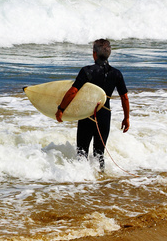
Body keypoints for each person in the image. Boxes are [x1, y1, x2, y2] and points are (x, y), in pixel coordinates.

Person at [54, 39, 130, 169]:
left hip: (87, 115)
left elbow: (73, 92)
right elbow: (124, 97)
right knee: (99, 154)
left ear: (94, 54)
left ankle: (84, 183)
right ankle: (100, 184)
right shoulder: (116, 73)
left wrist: (61, 109)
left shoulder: (87, 71)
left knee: (82, 152)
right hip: (105, 116)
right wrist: (126, 117)